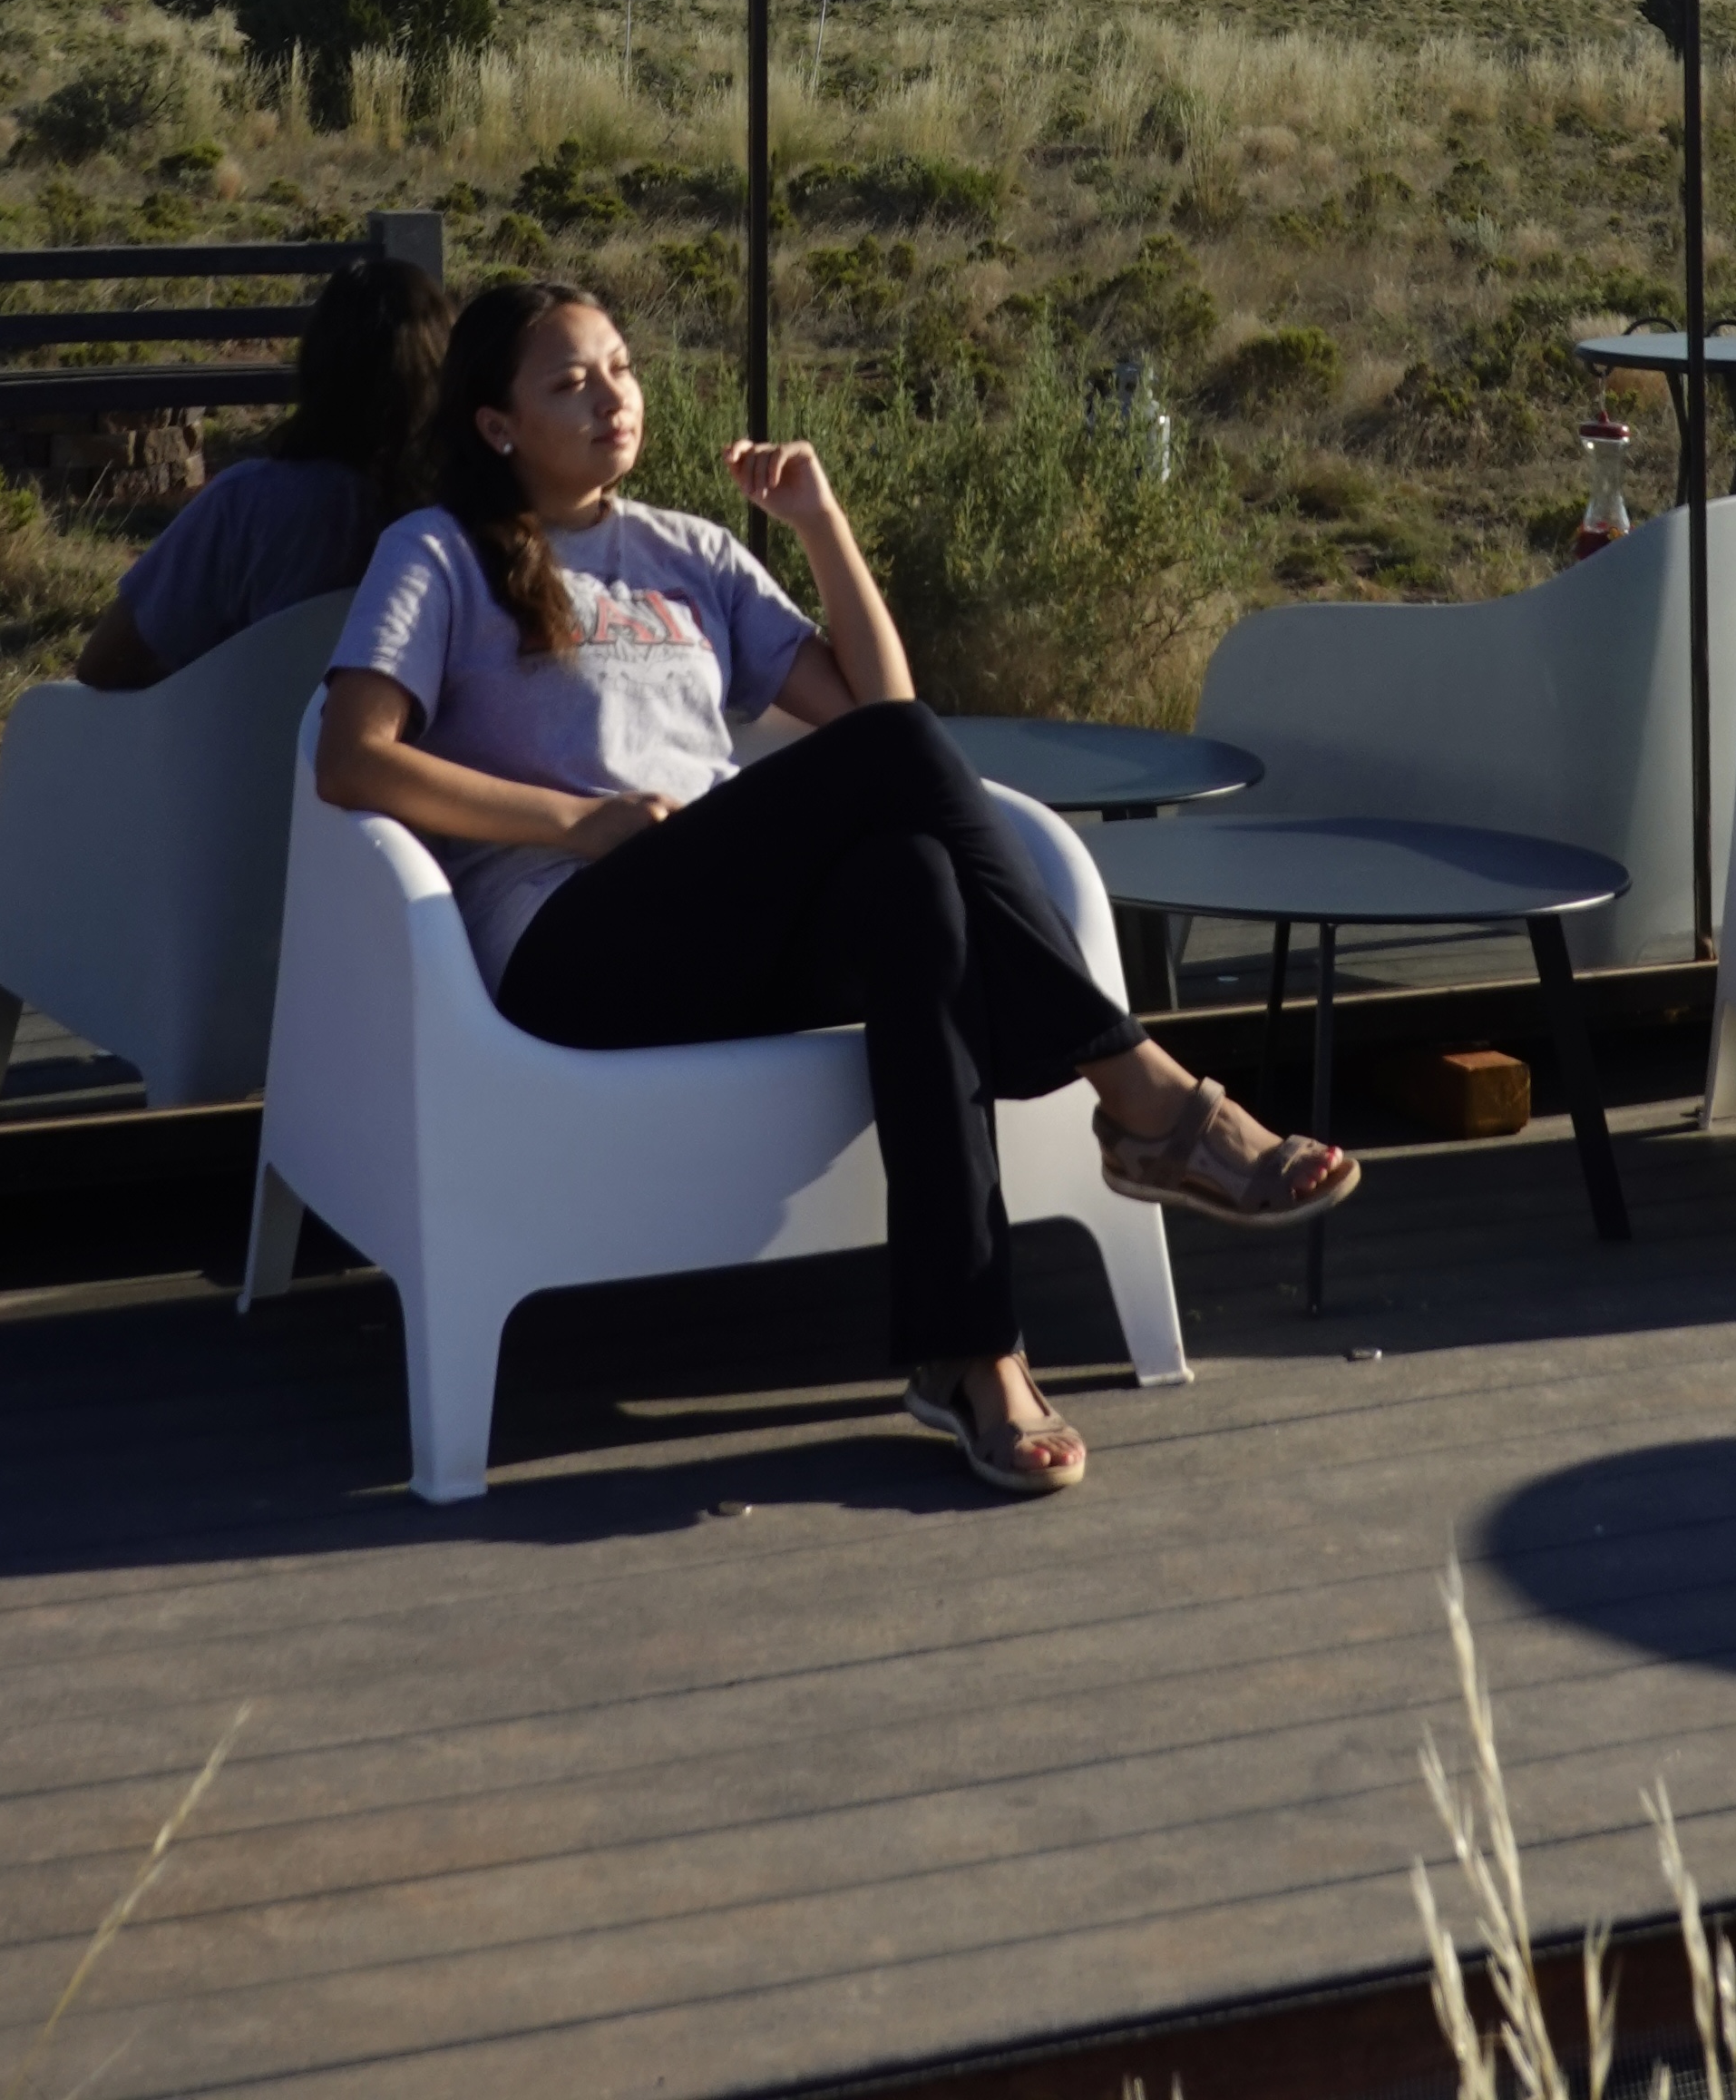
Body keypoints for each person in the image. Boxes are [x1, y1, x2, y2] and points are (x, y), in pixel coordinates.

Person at [315, 273, 1361, 1497]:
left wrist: (822, 525)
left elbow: (883, 717)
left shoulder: (690, 552)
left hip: (728, 930)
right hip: (574, 942)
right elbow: (351, 759)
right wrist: (578, 823)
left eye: (623, 366)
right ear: (497, 425)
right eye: (571, 382)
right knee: (896, 774)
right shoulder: (435, 554)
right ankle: (1142, 1094)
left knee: (915, 883)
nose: (615, 398)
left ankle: (974, 1358)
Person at [76, 252, 452, 689]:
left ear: (316, 363)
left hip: (250, 750)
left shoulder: (245, 505)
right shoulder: (472, 512)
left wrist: (222, 685)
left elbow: (104, 663)